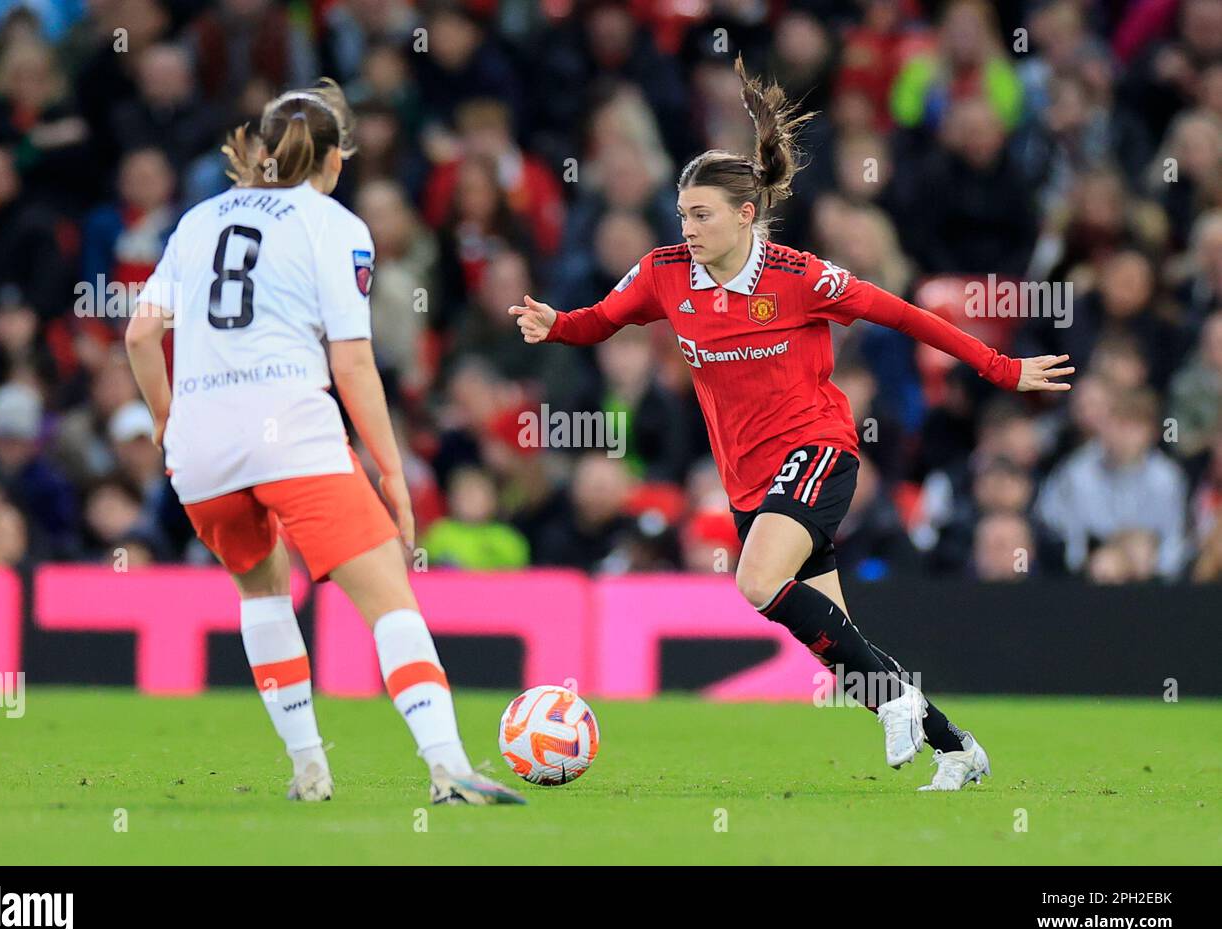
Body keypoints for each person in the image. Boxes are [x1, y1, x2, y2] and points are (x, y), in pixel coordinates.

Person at [511, 57, 1073, 792]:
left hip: (817, 451)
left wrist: (999, 367)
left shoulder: (800, 277)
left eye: (702, 214)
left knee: (754, 581)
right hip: (750, 480)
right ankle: (957, 747)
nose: (688, 227)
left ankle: (899, 702)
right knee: (841, 645)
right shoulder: (663, 274)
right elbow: (596, 324)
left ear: (746, 215)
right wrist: (555, 325)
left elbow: (903, 314)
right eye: (682, 213)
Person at [125, 79, 522, 806]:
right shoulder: (334, 226)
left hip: (203, 445)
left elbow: (141, 332)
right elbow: (352, 361)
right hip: (292, 433)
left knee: (262, 593)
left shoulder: (197, 220)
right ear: (336, 159)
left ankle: (309, 770)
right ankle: (448, 767)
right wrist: (392, 470)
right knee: (389, 600)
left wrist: (164, 417)